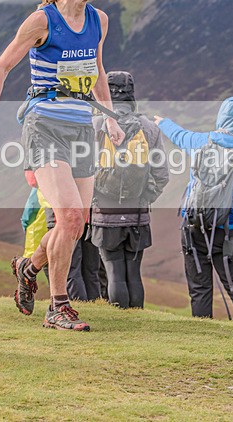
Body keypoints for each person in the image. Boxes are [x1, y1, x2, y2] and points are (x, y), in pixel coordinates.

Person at [0, 0, 124, 331]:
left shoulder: (99, 21)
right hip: (43, 125)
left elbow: (99, 70)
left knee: (76, 223)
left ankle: (29, 267)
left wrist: (110, 118)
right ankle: (58, 306)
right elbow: (2, 66)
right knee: (69, 215)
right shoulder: (42, 21)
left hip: (81, 129)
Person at [155, 97, 233, 323]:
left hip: (193, 227)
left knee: (199, 288)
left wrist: (162, 122)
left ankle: (202, 336)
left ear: (222, 116)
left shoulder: (200, 142)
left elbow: (178, 134)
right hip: (228, 233)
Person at [91, 71, 169, 309]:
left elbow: (84, 169)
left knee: (113, 270)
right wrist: (145, 197)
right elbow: (162, 175)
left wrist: (94, 198)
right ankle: (138, 316)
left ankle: (121, 319)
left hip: (105, 211)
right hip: (137, 212)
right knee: (134, 272)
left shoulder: (95, 124)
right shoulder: (148, 127)